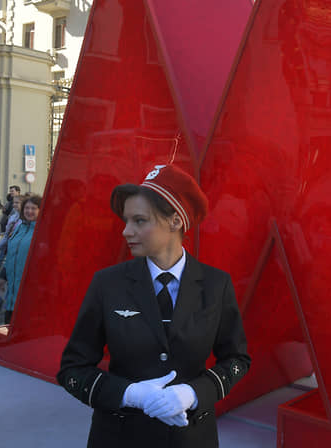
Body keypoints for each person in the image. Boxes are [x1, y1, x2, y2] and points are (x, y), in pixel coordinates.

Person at [57, 165, 250, 447]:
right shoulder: (108, 283)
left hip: (192, 436)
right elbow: (72, 368)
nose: (126, 231)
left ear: (174, 221)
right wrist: (130, 394)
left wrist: (193, 393)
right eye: (126, 220)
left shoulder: (215, 284)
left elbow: (236, 360)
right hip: (120, 435)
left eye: (139, 221)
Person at [0, 194, 41, 324]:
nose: (29, 211)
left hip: (29, 293)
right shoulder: (19, 227)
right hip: (12, 291)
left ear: (41, 210)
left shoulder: (42, 231)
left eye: (33, 208)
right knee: (10, 323)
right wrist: (3, 276)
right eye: (27, 208)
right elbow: (12, 253)